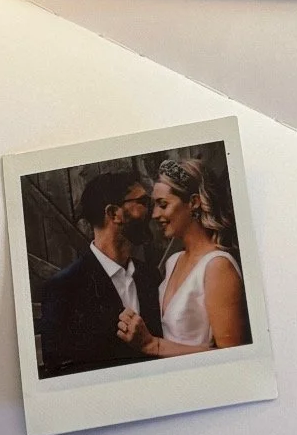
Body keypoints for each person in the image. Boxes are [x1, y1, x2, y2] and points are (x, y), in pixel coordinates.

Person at [116, 156, 250, 356]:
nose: (154, 215)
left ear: (193, 203)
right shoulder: (173, 261)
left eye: (163, 204)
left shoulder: (218, 266)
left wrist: (154, 346)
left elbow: (234, 357)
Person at [39, 171, 163, 376]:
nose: (153, 211)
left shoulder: (151, 276)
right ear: (114, 213)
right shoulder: (63, 288)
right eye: (143, 201)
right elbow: (59, 372)